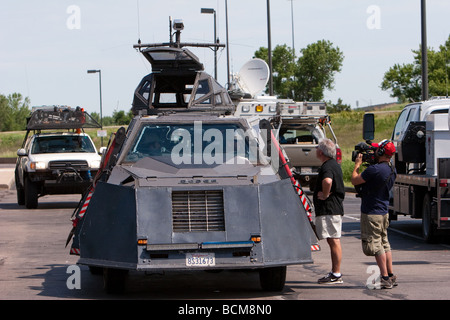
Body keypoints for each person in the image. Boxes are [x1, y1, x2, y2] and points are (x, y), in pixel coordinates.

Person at [351, 139, 398, 289]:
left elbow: (354, 180)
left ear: (383, 152)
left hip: (372, 212)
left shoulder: (374, 170)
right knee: (385, 244)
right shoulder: (391, 169)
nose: (375, 152)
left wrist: (357, 164)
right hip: (383, 211)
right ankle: (390, 275)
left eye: (378, 150)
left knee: (376, 245)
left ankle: (384, 278)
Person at [313, 138, 345, 284]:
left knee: (333, 240)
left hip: (330, 209)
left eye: (317, 148)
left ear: (321, 152)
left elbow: (327, 181)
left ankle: (336, 273)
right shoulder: (334, 164)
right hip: (333, 209)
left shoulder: (327, 167)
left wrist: (325, 195)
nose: (316, 150)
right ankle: (335, 272)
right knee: (333, 240)